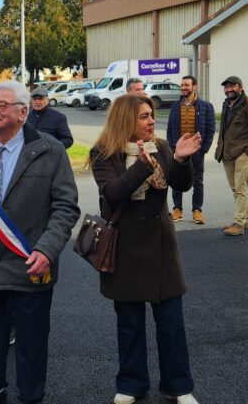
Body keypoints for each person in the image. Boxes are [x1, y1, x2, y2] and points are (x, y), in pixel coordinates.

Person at [0, 80, 80, 404]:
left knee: (31, 343)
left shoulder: (50, 150)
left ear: (22, 112)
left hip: (30, 265)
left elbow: (66, 207)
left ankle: (30, 397)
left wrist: (47, 249)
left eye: (1, 105)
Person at [90, 94, 201, 404]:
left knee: (171, 324)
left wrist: (181, 160)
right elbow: (112, 193)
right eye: (144, 116)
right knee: (129, 324)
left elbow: (181, 185)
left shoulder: (161, 147)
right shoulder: (104, 153)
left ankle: (178, 386)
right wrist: (141, 165)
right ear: (126, 120)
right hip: (124, 249)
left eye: (151, 115)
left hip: (162, 248)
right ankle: (131, 384)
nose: (152, 120)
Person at [214, 76, 248, 236]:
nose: (229, 89)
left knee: (240, 188)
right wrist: (219, 148)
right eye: (226, 87)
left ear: (241, 87)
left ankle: (239, 223)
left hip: (242, 152)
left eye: (232, 86)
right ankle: (244, 220)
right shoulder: (227, 104)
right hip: (227, 152)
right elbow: (223, 129)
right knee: (235, 188)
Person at [166, 75, 215, 225]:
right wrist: (173, 148)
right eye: (182, 85)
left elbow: (210, 129)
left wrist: (203, 149)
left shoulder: (206, 107)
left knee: (198, 181)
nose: (183, 88)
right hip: (179, 151)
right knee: (176, 180)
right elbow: (169, 129)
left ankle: (197, 211)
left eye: (186, 85)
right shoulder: (175, 106)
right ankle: (177, 209)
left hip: (196, 151)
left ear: (194, 87)